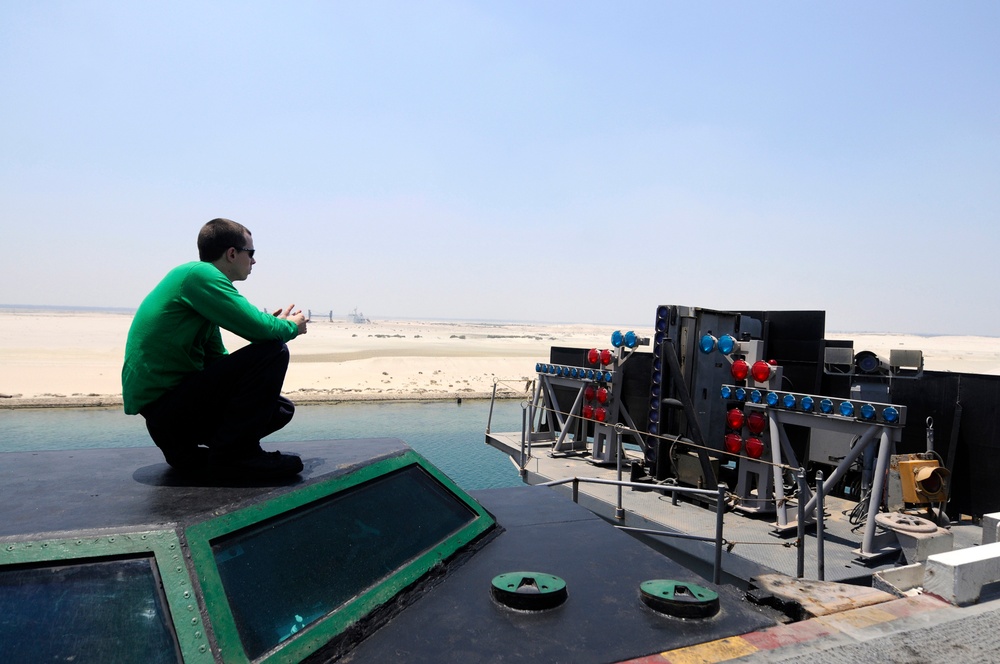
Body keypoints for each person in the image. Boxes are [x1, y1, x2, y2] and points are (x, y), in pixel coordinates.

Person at [122, 218, 309, 478]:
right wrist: (291, 327)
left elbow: (216, 360)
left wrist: (271, 329)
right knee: (274, 351)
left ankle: (191, 452)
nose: (254, 261)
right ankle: (236, 456)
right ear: (232, 253)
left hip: (169, 416)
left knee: (280, 410)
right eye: (251, 253)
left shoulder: (197, 289)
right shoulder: (200, 275)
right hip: (165, 408)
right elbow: (259, 328)